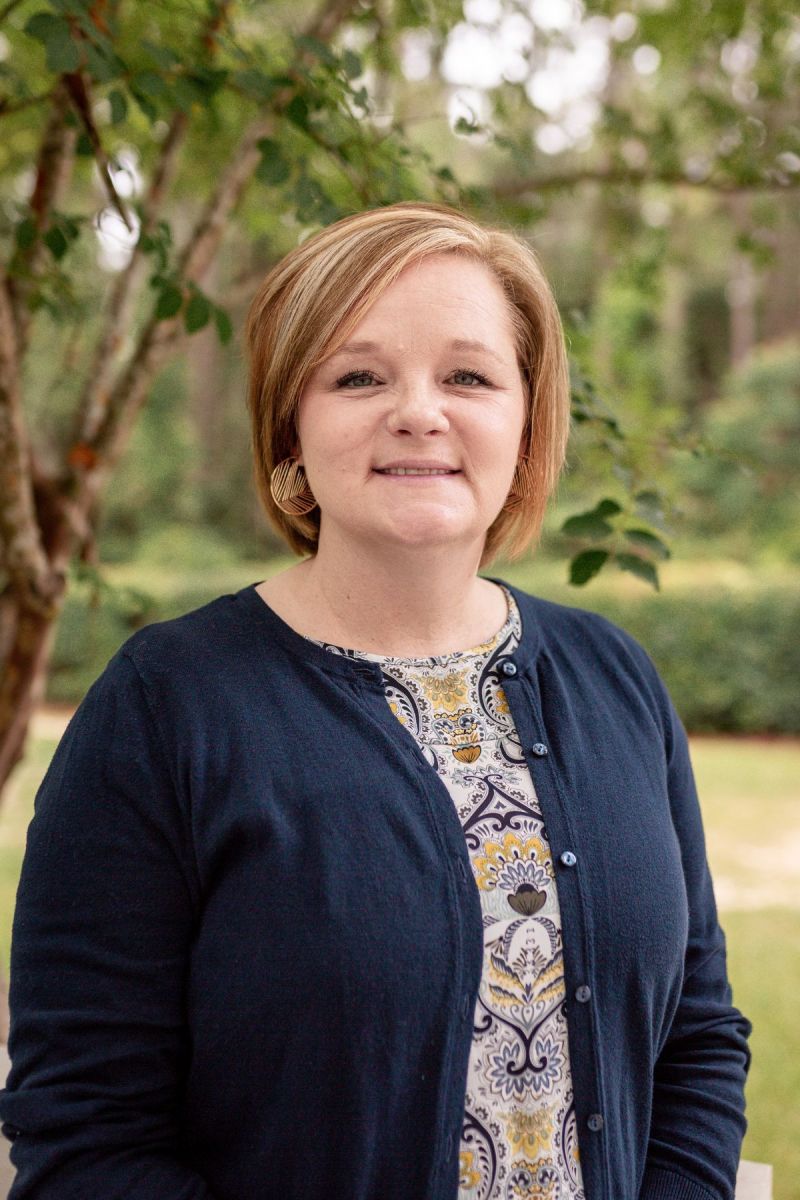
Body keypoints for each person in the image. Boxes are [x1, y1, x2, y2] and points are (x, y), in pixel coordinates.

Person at [0, 201, 751, 1200]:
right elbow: (85, 1133)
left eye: (467, 376)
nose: (417, 411)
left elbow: (697, 1038)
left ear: (525, 422)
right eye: (357, 376)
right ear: (291, 429)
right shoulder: (165, 711)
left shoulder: (615, 679)